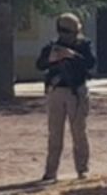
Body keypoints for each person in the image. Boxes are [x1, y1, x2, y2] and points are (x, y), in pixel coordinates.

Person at [36, 13, 96, 182]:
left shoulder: (84, 46)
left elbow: (91, 63)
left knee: (79, 133)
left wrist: (72, 55)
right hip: (57, 92)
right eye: (69, 32)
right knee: (55, 134)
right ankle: (51, 171)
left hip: (76, 91)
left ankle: (82, 169)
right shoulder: (52, 47)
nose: (73, 35)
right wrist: (52, 59)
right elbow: (40, 65)